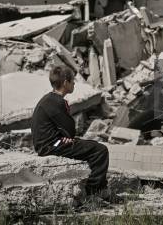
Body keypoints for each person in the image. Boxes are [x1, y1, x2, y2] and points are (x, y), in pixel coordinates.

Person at [31, 65, 109, 196]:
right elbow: (70, 131)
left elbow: (66, 132)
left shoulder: (49, 99)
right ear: (65, 83)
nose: (74, 84)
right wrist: (64, 137)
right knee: (100, 150)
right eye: (73, 81)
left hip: (50, 143)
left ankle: (98, 189)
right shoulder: (57, 102)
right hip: (51, 145)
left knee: (89, 146)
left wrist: (65, 136)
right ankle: (94, 192)